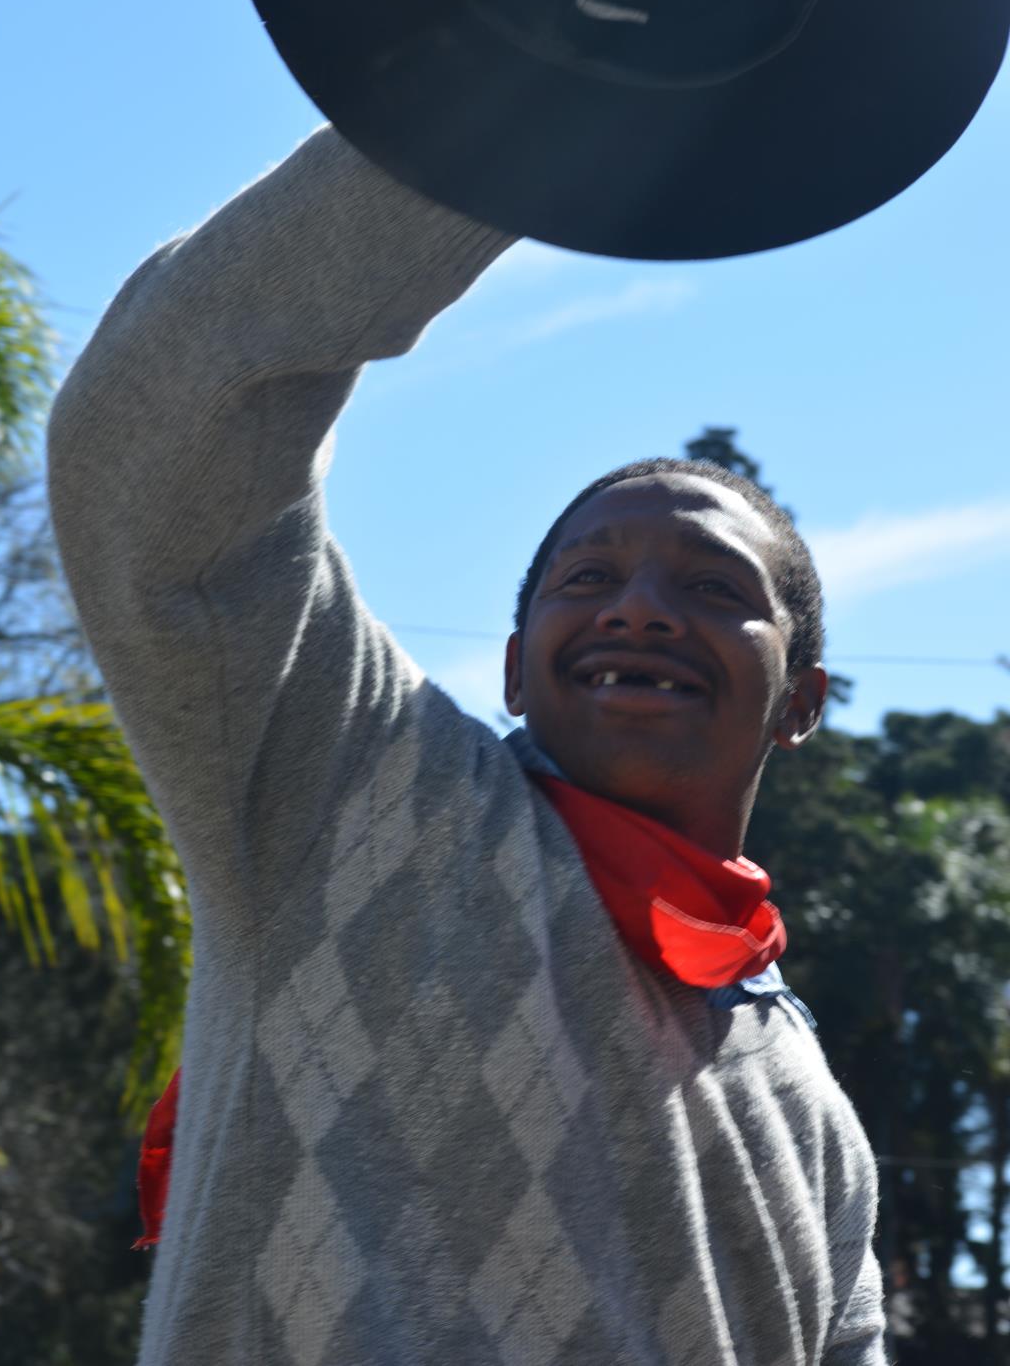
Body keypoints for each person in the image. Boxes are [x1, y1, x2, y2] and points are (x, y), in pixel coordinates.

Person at [48, 126, 886, 1365]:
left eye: (714, 588)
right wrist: (507, 111)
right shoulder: (356, 793)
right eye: (587, 577)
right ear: (510, 669)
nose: (639, 607)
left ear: (800, 699)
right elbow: (164, 428)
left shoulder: (810, 1106)